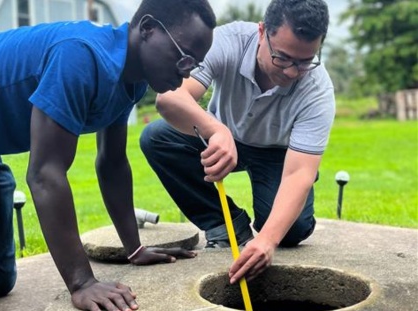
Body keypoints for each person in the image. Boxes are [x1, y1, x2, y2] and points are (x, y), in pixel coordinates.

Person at [0, 0, 216, 310]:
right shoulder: (81, 55)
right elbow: (45, 174)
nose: (186, 72)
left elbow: (113, 164)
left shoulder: (130, 82)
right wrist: (82, 283)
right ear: (147, 28)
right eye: (183, 56)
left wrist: (133, 249)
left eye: (195, 63)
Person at [140, 0, 334, 284]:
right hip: (220, 136)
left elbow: (300, 172)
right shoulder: (227, 41)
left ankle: (267, 229)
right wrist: (218, 131)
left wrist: (267, 241)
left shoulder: (317, 89)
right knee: (157, 138)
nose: (292, 72)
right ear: (262, 33)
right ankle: (225, 223)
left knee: (291, 233)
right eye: (282, 58)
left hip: (277, 153)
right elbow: (169, 98)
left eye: (305, 61)